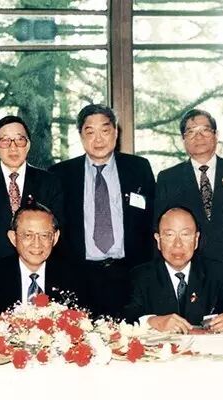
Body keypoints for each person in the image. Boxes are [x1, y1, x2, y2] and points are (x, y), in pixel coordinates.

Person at [49, 104, 155, 317]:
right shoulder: (61, 174)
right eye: (90, 132)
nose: (98, 139)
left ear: (115, 132)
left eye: (105, 130)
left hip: (130, 275)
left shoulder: (138, 168)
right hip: (78, 276)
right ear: (81, 136)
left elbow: (151, 221)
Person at [155, 109, 223, 305]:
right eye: (191, 132)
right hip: (193, 273)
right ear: (183, 139)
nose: (198, 137)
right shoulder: (168, 178)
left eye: (205, 130)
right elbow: (162, 232)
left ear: (216, 135)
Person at [123, 206, 223, 333]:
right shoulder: (141, 276)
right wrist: (154, 322)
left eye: (185, 234)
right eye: (169, 235)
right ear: (158, 240)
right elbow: (126, 318)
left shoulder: (216, 272)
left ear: (196, 239)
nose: (178, 244)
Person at [0, 115, 63, 273]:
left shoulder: (49, 182)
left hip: (40, 273)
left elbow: (57, 231)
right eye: (5, 141)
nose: (13, 147)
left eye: (20, 140)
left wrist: (32, 268)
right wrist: (6, 272)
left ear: (28, 144)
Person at [0, 202, 72, 328]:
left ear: (55, 237)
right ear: (13, 238)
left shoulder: (75, 277)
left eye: (44, 235)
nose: (36, 244)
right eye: (28, 235)